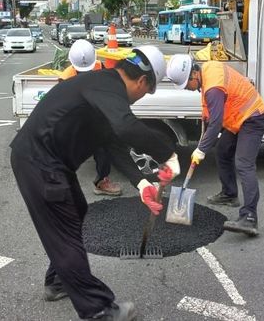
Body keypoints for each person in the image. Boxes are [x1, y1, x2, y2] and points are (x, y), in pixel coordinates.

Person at [10, 45, 181, 320]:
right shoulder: (107, 86)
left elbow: (114, 143)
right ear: (142, 82)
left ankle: (58, 282)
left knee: (76, 213)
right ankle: (98, 309)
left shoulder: (103, 87)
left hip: (50, 162)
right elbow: (126, 126)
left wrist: (142, 185)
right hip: (39, 162)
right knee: (65, 232)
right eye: (146, 92)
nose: (139, 99)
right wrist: (168, 154)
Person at [166, 54, 264, 237]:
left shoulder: (212, 87)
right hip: (238, 120)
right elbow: (209, 120)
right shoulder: (207, 72)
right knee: (222, 151)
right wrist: (203, 142)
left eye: (186, 85)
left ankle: (250, 218)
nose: (188, 90)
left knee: (244, 164)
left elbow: (216, 123)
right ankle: (229, 194)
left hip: (253, 118)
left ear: (193, 75)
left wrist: (201, 150)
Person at [59, 40, 121, 196]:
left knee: (103, 148)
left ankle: (101, 182)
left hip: (96, 115)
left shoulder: (101, 68)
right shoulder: (66, 77)